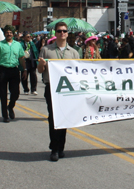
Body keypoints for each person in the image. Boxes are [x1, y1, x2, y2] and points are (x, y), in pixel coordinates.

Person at [38, 22, 80, 162]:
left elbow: (78, 72)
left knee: (64, 118)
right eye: (59, 31)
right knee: (53, 118)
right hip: (51, 88)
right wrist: (41, 64)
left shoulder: (73, 53)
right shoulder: (46, 50)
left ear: (67, 33)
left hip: (67, 90)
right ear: (55, 33)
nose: (62, 33)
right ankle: (54, 148)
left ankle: (61, 146)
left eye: (64, 31)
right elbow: (40, 71)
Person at [0, 25, 27, 123]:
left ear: (13, 33)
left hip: (14, 70)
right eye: (7, 32)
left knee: (15, 93)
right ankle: (5, 115)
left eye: (10, 32)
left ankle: (10, 107)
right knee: (3, 94)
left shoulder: (17, 45)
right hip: (2, 70)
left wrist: (24, 70)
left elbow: (21, 57)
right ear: (4, 33)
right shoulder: (0, 44)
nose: (9, 34)